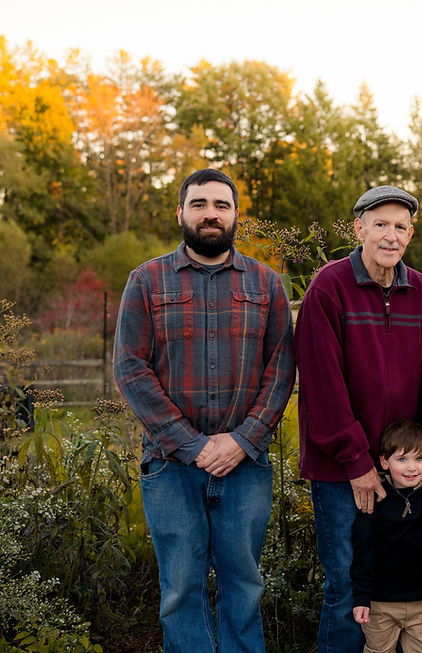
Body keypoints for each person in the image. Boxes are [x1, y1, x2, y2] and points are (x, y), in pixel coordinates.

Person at [113, 168, 295, 652]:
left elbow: (281, 370)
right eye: (199, 204)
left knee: (245, 586)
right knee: (179, 589)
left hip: (245, 465)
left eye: (220, 205)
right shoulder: (146, 281)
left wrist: (241, 441)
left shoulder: (267, 283)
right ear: (181, 212)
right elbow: (130, 370)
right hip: (171, 466)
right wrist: (193, 447)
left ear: (236, 215)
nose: (210, 214)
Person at [294, 185, 422, 653]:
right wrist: (358, 462)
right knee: (346, 589)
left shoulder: (420, 289)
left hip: (406, 469)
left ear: (411, 234)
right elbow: (321, 385)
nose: (390, 235)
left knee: (396, 589)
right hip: (343, 470)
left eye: (400, 226)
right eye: (380, 224)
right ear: (358, 227)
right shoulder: (329, 286)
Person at [351, 420, 422, 653]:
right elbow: (364, 548)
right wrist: (362, 596)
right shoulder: (375, 498)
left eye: (420, 459)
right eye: (402, 459)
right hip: (380, 603)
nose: (411, 468)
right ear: (384, 461)